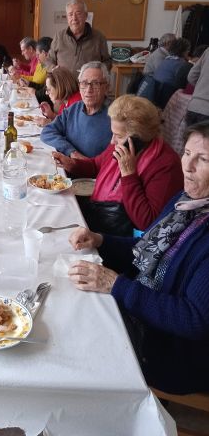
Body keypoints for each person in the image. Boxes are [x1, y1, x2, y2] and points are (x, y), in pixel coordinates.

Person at [68, 121, 209, 394]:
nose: (187, 166)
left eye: (202, 159)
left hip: (170, 352)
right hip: (139, 309)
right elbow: (146, 248)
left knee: (73, 343)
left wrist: (116, 285)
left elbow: (194, 320)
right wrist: (100, 239)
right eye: (187, 153)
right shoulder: (187, 201)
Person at [53, 95, 183, 235]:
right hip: (98, 217)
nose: (112, 141)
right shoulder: (121, 146)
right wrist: (72, 164)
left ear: (138, 139)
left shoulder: (166, 165)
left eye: (119, 136)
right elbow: (96, 165)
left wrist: (128, 174)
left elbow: (147, 222)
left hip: (121, 239)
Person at [40, 61, 112, 158]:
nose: (88, 90)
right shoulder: (74, 109)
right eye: (84, 83)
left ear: (106, 87)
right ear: (79, 86)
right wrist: (72, 152)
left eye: (95, 84)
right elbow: (47, 131)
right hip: (68, 166)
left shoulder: (115, 116)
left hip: (92, 172)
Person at [45, 0, 110, 76]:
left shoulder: (99, 37)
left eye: (78, 14)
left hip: (88, 85)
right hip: (63, 85)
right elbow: (49, 60)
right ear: (67, 17)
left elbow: (107, 62)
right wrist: (53, 69)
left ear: (86, 16)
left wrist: (97, 73)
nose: (74, 18)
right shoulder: (59, 37)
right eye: (70, 14)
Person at [151, 37, 192, 107]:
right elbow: (184, 86)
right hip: (168, 100)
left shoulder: (165, 60)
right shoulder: (184, 65)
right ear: (185, 51)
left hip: (154, 96)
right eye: (188, 50)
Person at [186, 47, 209, 125]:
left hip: (194, 106)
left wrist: (202, 88)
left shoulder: (207, 50)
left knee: (189, 137)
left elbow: (191, 76)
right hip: (207, 112)